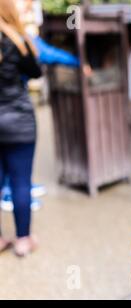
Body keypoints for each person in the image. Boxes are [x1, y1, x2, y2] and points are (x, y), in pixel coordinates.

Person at [0, 0, 42, 256]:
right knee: (21, 182)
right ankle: (23, 241)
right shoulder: (19, 41)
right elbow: (36, 72)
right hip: (20, 122)